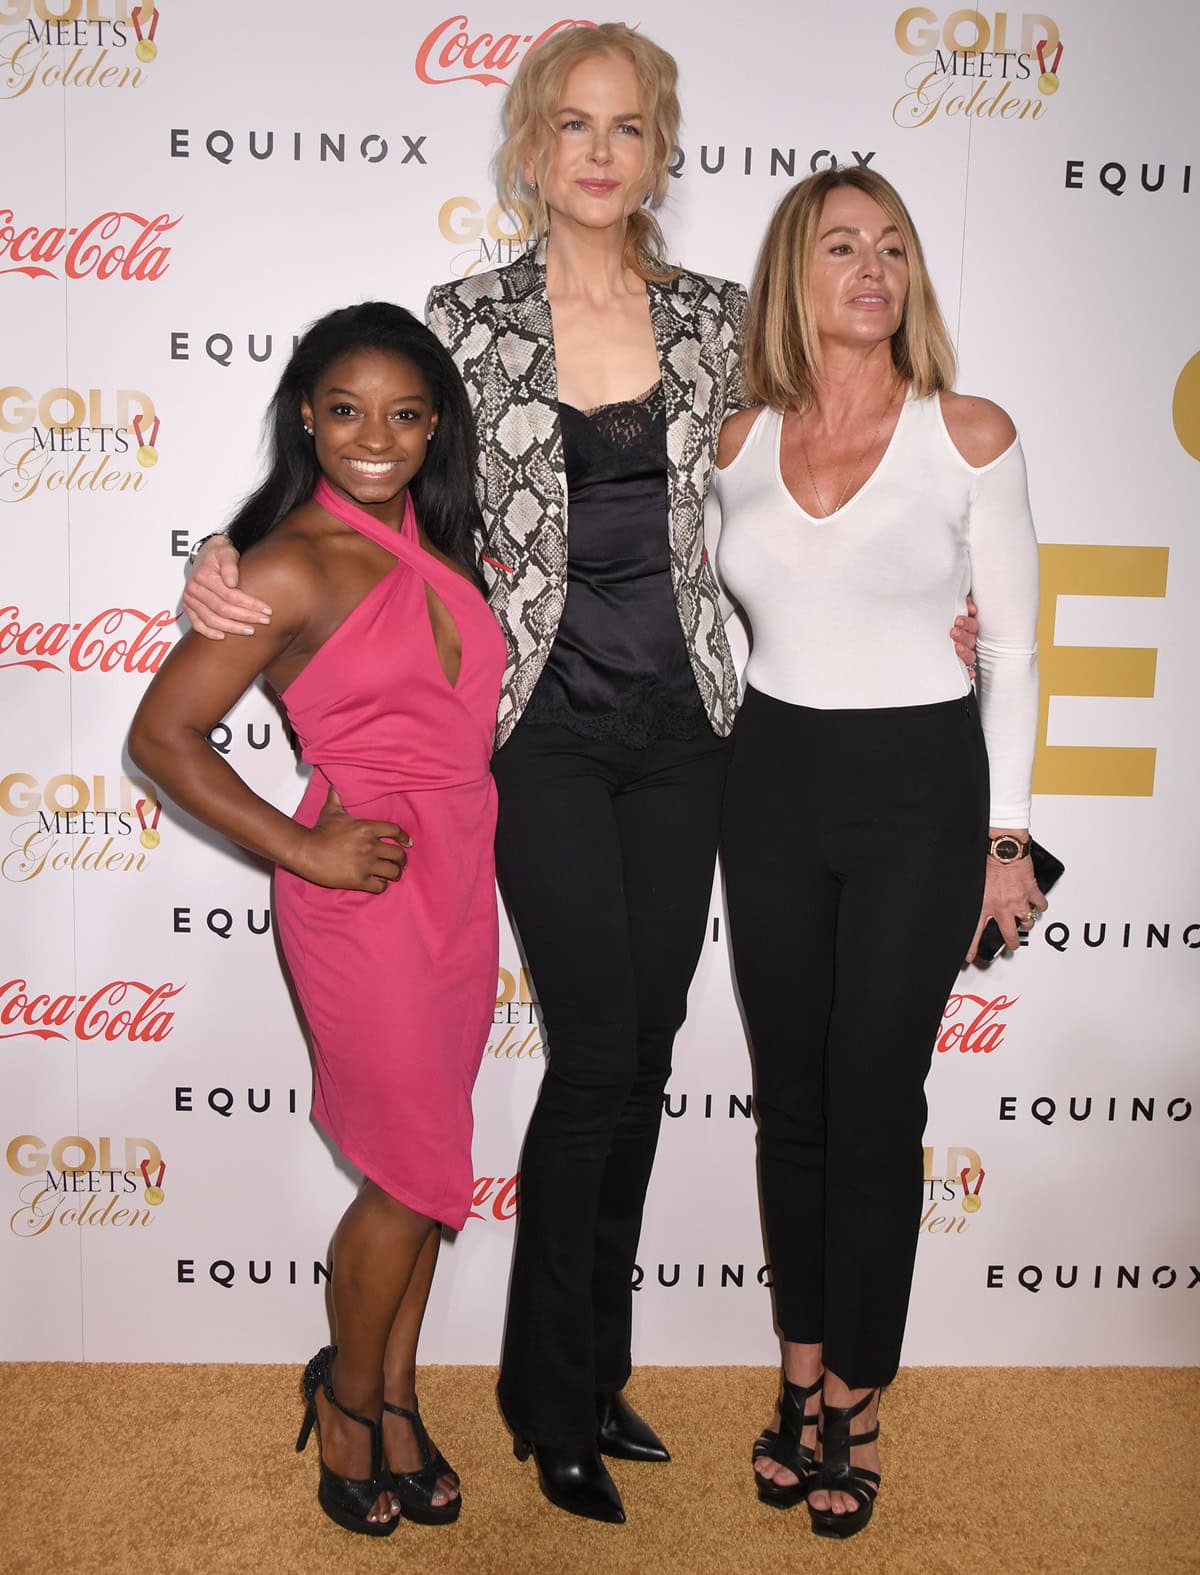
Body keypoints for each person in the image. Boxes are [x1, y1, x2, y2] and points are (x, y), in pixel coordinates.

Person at [180, 28, 976, 1527]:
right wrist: (226, 554)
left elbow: (832, 460)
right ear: (532, 145)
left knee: (655, 1046)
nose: (600, 151)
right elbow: (372, 488)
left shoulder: (723, 320)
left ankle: (600, 1365)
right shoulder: (466, 322)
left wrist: (948, 575)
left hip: (692, 731)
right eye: (573, 124)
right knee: (597, 1052)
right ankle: (546, 1395)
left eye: (629, 127)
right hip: (536, 731)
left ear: (661, 149)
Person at [130, 303, 506, 1538]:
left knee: (430, 1162)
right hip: (366, 889)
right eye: (346, 410)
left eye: (404, 413)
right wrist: (299, 845)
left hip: (460, 877)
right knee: (402, 1180)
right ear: (305, 412)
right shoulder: (287, 561)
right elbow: (159, 736)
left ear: (436, 422)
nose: (375, 437)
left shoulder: (445, 540)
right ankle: (347, 1409)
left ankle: (395, 1399)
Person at [711, 166, 1045, 1540]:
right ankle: (798, 1376)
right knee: (791, 1096)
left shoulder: (968, 431)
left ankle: (858, 1386)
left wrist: (1005, 838)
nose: (873, 268)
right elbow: (711, 624)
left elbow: (1014, 645)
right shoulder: (732, 439)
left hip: (919, 786)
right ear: (796, 270)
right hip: (771, 778)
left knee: (874, 1096)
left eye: (894, 247)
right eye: (842, 245)